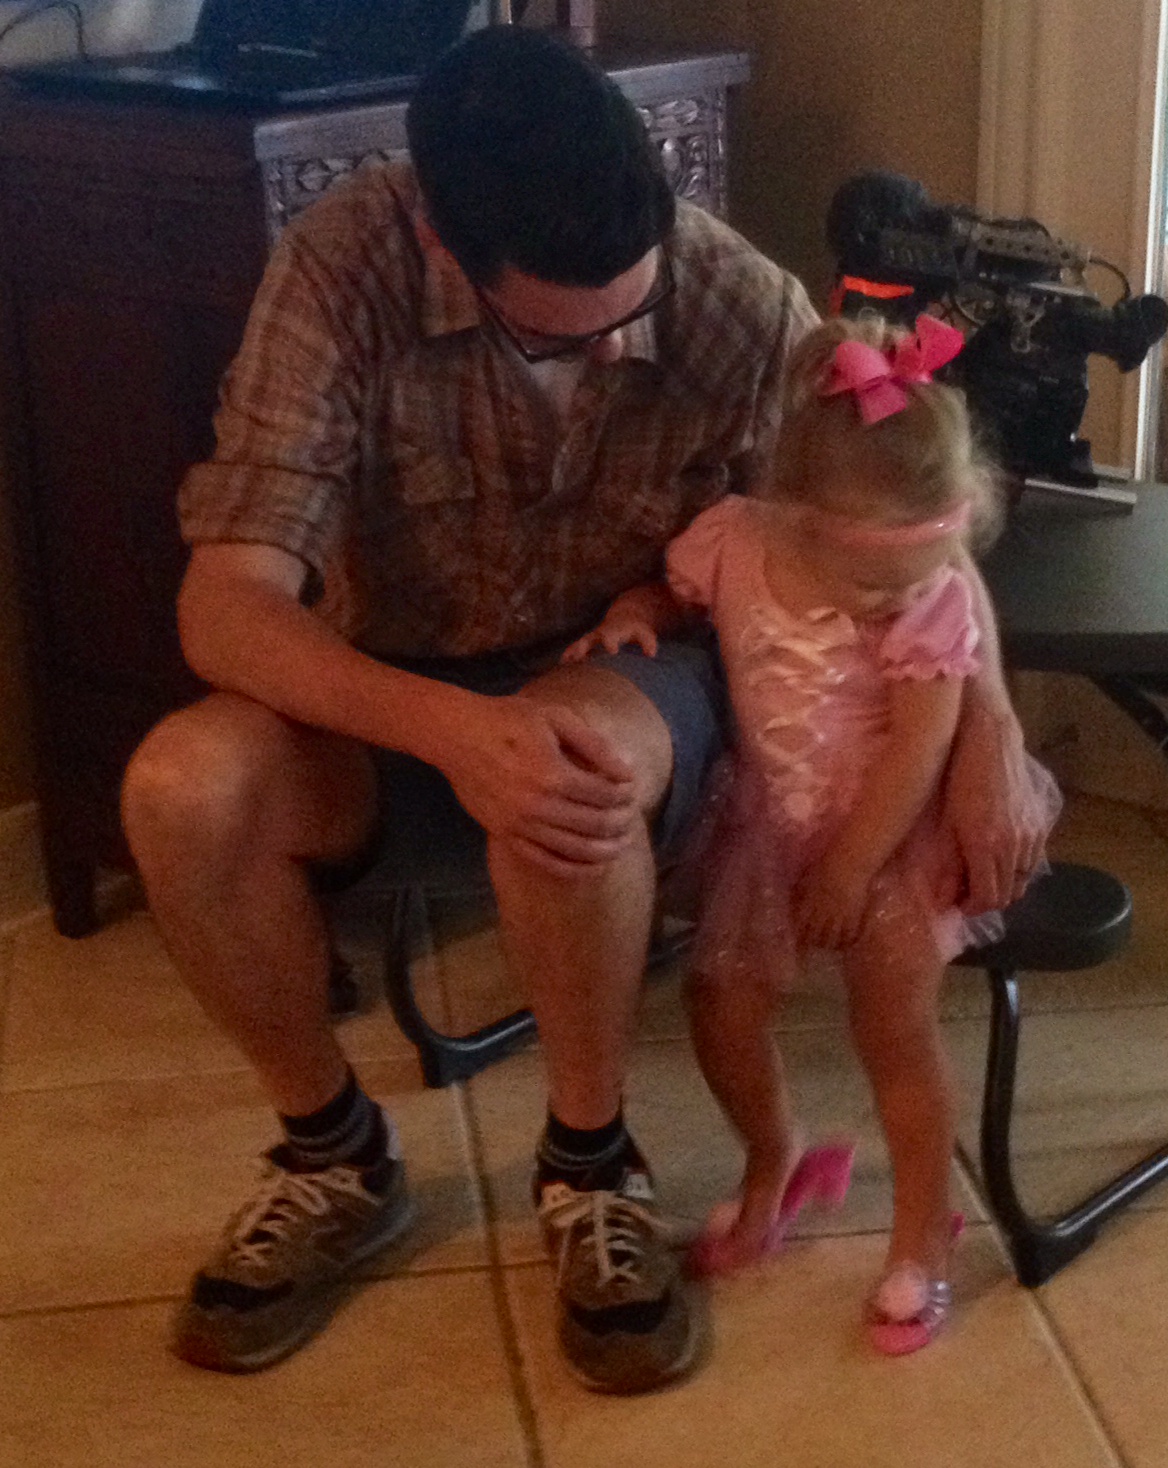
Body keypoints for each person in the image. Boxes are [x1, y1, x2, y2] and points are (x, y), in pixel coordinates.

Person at [118, 23, 1047, 1392]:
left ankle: (590, 1162)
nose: (615, 350)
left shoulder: (725, 289)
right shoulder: (337, 269)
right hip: (396, 678)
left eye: (633, 312)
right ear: (438, 238)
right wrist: (449, 727)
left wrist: (992, 725)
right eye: (566, 330)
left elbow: (903, 499)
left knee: (569, 763)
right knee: (178, 787)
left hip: (624, 664)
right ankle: (332, 1153)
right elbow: (225, 610)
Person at [564, 313, 1061, 1355]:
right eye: (876, 580)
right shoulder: (734, 539)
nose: (902, 596)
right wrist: (635, 608)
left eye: (925, 568)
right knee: (720, 1002)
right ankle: (775, 1154)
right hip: (769, 820)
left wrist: (849, 867)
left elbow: (920, 748)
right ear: (789, 516)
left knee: (893, 1031)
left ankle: (923, 1228)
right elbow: (675, 591)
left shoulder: (930, 598)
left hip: (890, 838)